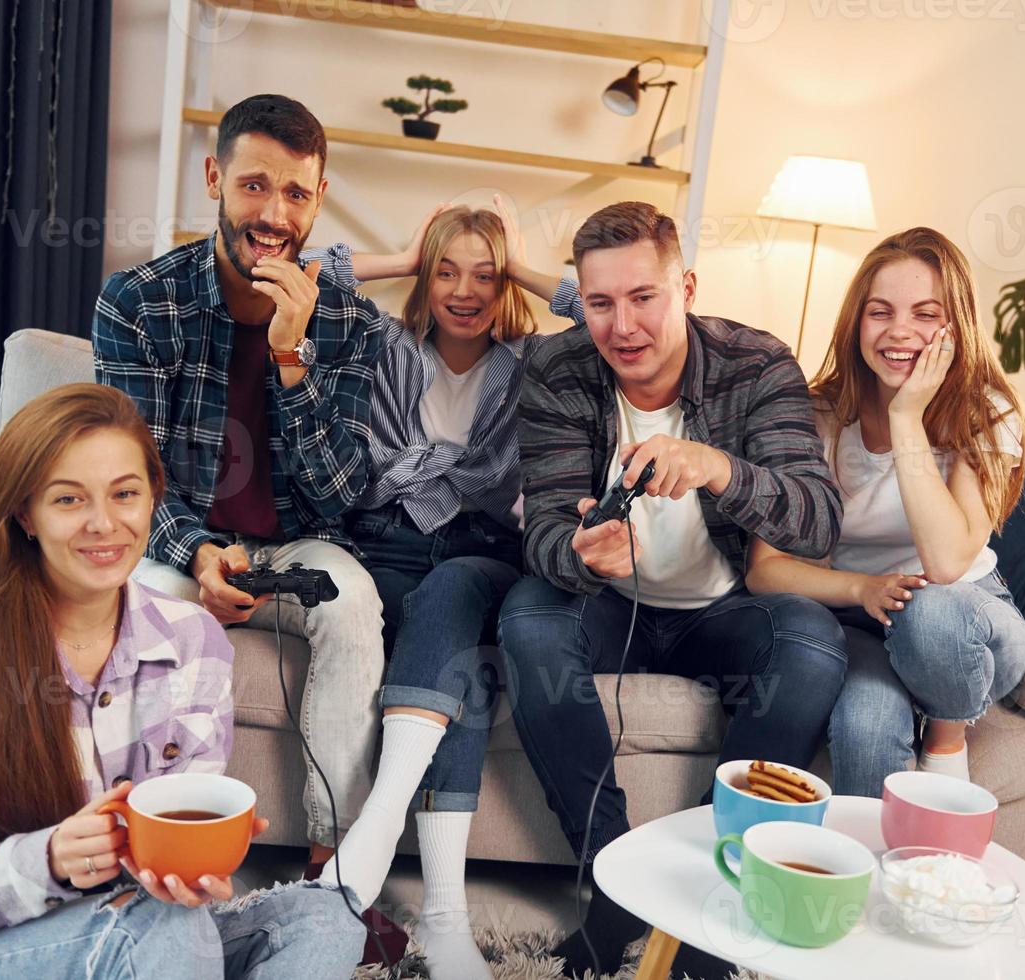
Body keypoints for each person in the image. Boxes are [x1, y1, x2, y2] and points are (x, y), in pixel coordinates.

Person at [0, 384, 363, 980]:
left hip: (133, 923)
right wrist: (49, 858)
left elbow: (174, 832)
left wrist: (192, 859)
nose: (104, 524)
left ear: (153, 498)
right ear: (26, 513)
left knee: (326, 919)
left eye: (125, 494)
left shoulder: (193, 642)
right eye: (69, 499)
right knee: (168, 932)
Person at [496, 201, 848, 979]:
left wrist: (719, 468)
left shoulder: (756, 366)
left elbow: (818, 521)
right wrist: (581, 553)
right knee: (526, 621)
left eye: (643, 297)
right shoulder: (557, 369)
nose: (623, 325)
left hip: (722, 611)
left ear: (684, 285)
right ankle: (621, 880)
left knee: (814, 646)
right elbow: (545, 533)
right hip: (606, 605)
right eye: (600, 303)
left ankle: (709, 901)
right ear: (578, 302)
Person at [90, 94, 389, 913]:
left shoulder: (353, 323)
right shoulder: (139, 302)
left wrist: (291, 357)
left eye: (296, 193)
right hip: (178, 544)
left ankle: (332, 878)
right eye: (255, 186)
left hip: (296, 550)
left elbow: (339, 495)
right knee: (131, 610)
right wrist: (195, 552)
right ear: (216, 178)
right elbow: (129, 478)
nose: (274, 214)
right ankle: (151, 858)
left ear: (318, 199)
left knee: (356, 605)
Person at [297, 199, 581, 978]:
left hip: (481, 546)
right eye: (447, 270)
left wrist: (520, 264)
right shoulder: (383, 344)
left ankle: (377, 838)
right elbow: (291, 273)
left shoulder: (536, 364)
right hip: (385, 538)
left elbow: (607, 318)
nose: (464, 290)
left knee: (458, 586)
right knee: (460, 670)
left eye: (483, 275)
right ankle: (447, 915)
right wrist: (404, 256)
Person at [745, 226, 1025, 797]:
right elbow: (763, 570)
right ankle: (872, 878)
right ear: (856, 324)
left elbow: (948, 563)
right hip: (860, 618)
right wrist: (861, 589)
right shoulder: (817, 414)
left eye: (926, 314)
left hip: (967, 623)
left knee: (929, 612)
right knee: (864, 726)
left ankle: (947, 741)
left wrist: (907, 419)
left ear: (957, 326)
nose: (900, 332)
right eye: (880, 312)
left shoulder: (986, 410)